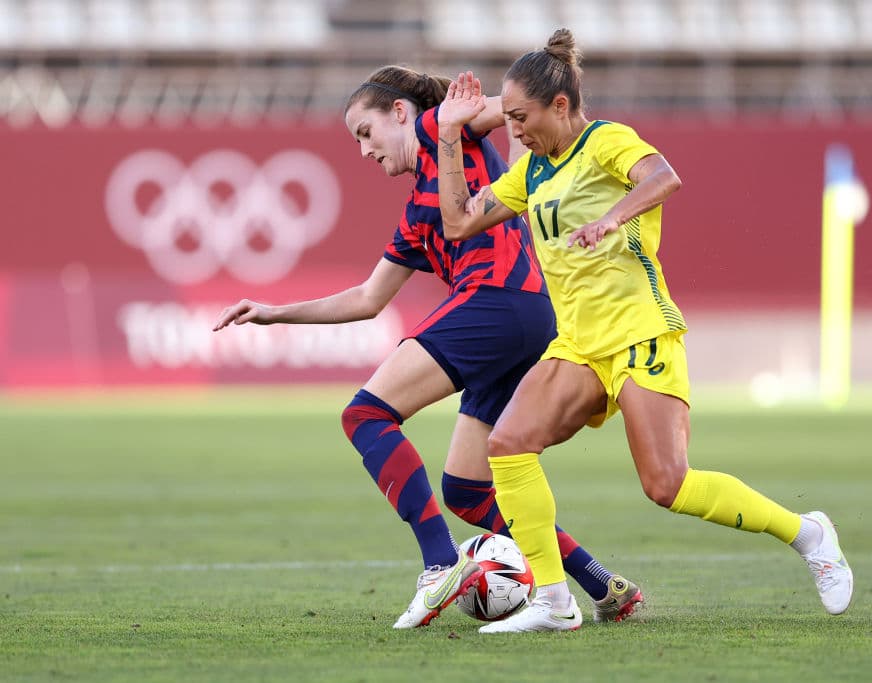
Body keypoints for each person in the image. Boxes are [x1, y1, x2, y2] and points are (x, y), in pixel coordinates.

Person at [435, 29, 854, 633]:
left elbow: (664, 177)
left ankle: (807, 532)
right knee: (507, 445)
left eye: (521, 118)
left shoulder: (605, 140)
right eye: (508, 120)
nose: (514, 131)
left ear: (559, 106)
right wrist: (451, 136)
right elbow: (457, 223)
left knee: (666, 484)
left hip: (639, 333)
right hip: (577, 344)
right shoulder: (530, 172)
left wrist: (610, 218)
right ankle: (554, 601)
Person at [212, 65, 643, 630]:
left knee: (366, 414)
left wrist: (503, 106)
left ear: (399, 113)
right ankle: (601, 584)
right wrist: (274, 312)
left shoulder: (439, 127)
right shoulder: (420, 209)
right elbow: (368, 298)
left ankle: (440, 564)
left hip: (496, 300)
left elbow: (510, 108)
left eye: (365, 133)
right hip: (529, 315)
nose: (363, 151)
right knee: (467, 489)